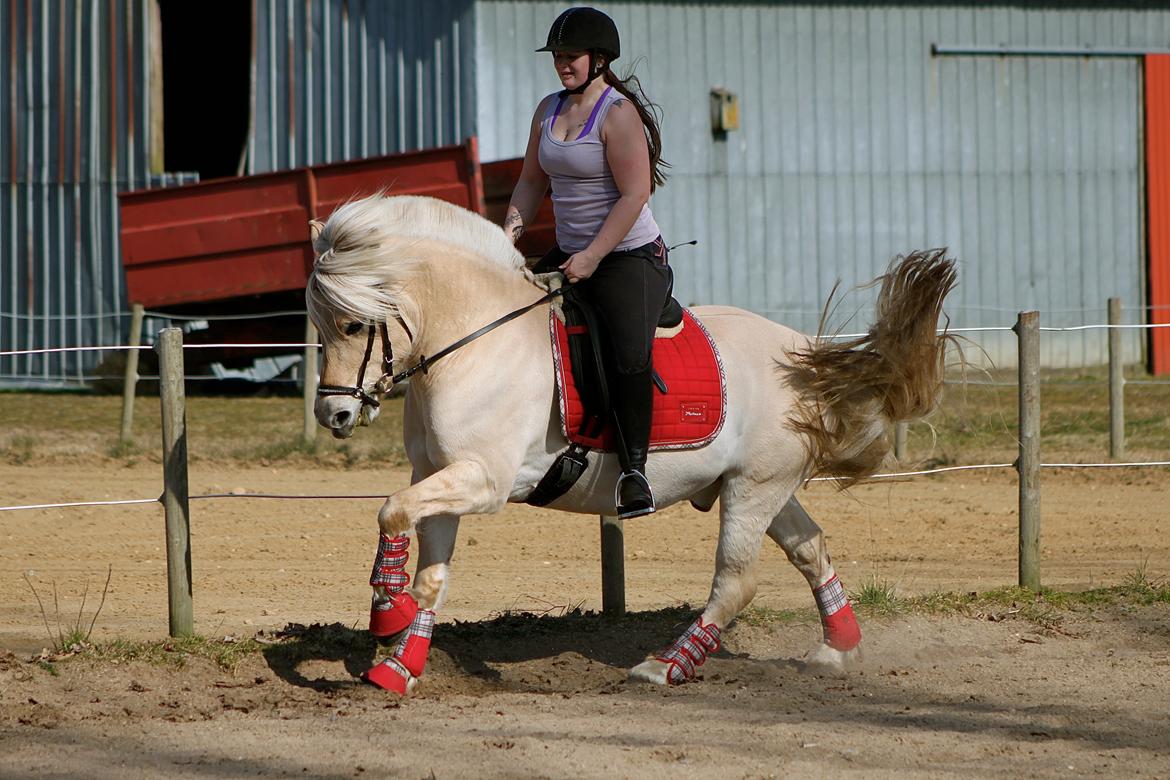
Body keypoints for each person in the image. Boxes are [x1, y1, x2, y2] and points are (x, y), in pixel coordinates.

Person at [503, 6, 671, 519]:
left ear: (599, 59)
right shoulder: (548, 109)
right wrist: (506, 237)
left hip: (627, 256)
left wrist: (593, 256)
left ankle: (634, 472)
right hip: (574, 251)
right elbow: (533, 180)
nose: (561, 64)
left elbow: (634, 193)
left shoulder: (619, 114)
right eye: (557, 56)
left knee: (627, 355)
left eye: (570, 56)